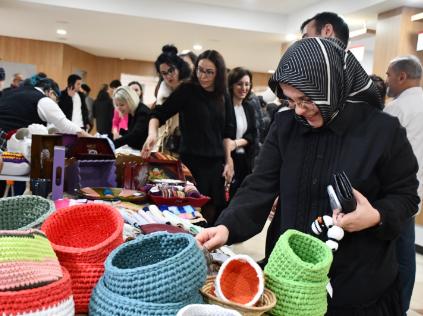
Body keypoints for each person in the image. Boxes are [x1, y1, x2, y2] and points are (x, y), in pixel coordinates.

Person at [196, 38, 420, 315]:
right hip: (290, 274)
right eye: (290, 101)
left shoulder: (382, 131)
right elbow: (259, 185)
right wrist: (227, 226)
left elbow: (406, 196)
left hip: (356, 280)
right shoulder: (286, 123)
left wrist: (375, 216)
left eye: (307, 99)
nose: (299, 110)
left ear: (331, 86)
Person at [142, 50, 235, 225]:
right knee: (190, 214)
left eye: (209, 72)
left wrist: (229, 160)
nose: (203, 76)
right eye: (200, 69)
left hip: (215, 164)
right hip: (190, 163)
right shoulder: (187, 90)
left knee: (214, 211)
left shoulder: (223, 95)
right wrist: (152, 133)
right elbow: (159, 114)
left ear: (218, 74)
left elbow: (228, 133)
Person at [384, 55, 423, 315]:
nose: (386, 80)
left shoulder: (397, 108)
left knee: (392, 254)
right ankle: (403, 307)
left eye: (388, 75)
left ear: (401, 76)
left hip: (392, 193)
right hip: (415, 192)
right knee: (407, 253)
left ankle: (390, 306)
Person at [0, 74, 90, 150]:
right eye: (56, 100)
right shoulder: (43, 99)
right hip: (4, 137)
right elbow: (64, 124)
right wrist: (89, 137)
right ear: (51, 93)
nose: (56, 104)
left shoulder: (17, 91)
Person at [154, 45, 192, 153]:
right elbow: (158, 112)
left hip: (186, 141)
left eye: (171, 70)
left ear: (179, 68)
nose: (169, 76)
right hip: (164, 139)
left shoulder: (188, 87)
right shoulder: (163, 87)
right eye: (164, 73)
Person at [226, 67, 257, 199]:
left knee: (240, 198)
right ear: (232, 85)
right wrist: (230, 146)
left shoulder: (248, 107)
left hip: (244, 161)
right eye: (239, 84)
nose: (244, 88)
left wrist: (236, 143)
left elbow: (252, 134)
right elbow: (223, 134)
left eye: (247, 84)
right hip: (227, 159)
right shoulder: (224, 106)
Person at [112, 85, 150, 150]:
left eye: (121, 105)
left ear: (130, 101)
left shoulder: (142, 112)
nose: (118, 108)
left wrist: (113, 144)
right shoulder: (132, 111)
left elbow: (135, 135)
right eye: (117, 105)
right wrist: (121, 133)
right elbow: (131, 132)